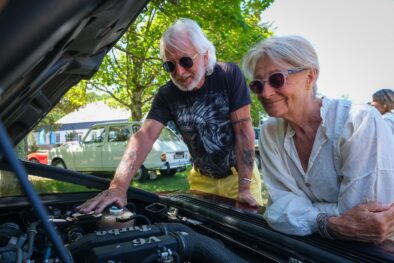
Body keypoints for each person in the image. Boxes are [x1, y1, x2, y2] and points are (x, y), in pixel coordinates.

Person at [78, 18, 263, 214]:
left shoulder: (228, 74)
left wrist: (244, 188)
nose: (180, 72)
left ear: (205, 56)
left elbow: (243, 131)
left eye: (186, 61)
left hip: (239, 177)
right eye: (170, 66)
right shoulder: (167, 94)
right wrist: (117, 187)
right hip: (201, 180)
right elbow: (145, 137)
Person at [242, 35, 394, 245]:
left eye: (277, 79)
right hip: (314, 249)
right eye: (257, 85)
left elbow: (365, 217)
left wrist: (302, 211)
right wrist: (327, 222)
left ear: (310, 77)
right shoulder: (270, 131)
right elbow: (279, 206)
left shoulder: (358, 121)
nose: (266, 93)